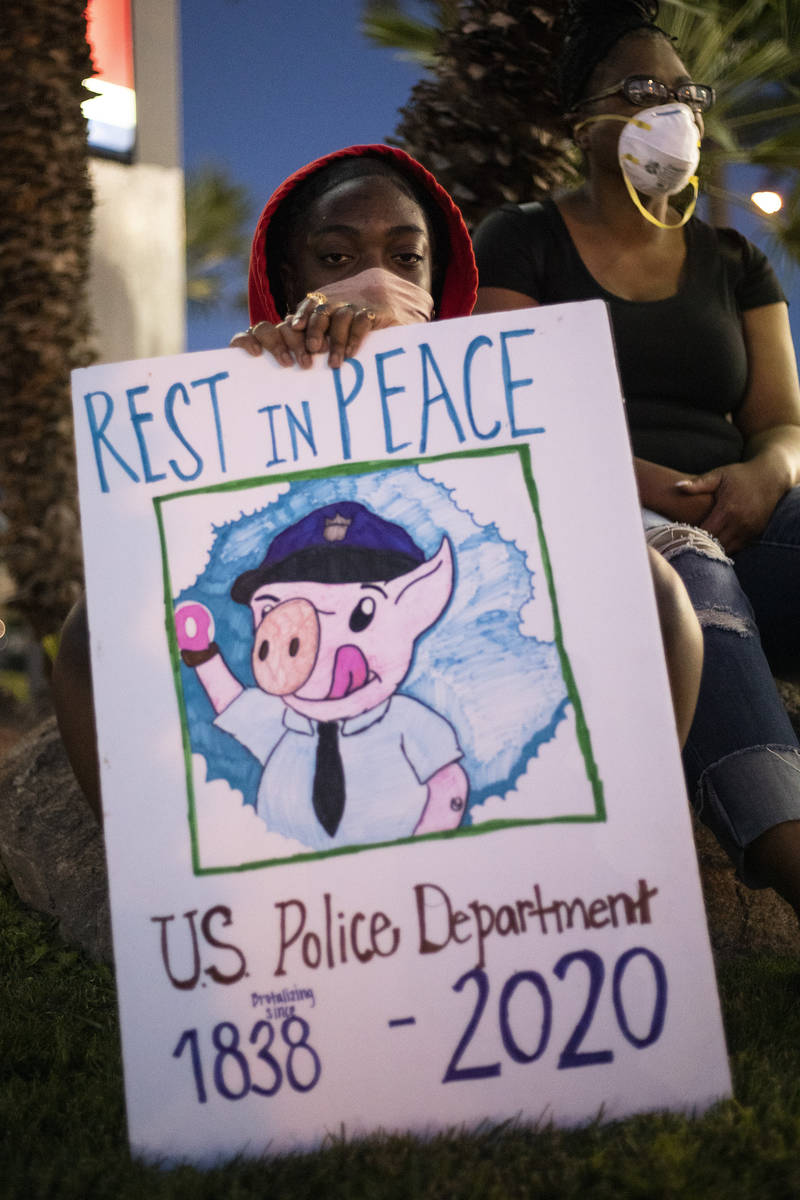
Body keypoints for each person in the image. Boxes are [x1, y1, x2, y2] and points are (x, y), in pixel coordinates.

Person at [53, 142, 701, 820]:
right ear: (287, 272)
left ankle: (630, 843)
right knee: (86, 633)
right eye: (336, 258)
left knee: (656, 590)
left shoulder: (493, 392)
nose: (374, 279)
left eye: (405, 257)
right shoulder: (257, 383)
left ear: (436, 272)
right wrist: (255, 385)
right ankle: (166, 901)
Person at [471, 0, 800, 913]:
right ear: (584, 118)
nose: (676, 111)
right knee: (692, 585)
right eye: (644, 90)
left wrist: (763, 474)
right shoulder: (524, 239)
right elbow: (510, 410)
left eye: (686, 91)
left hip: (741, 505)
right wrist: (654, 489)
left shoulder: (735, 259)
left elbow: (781, 421)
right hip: (598, 515)